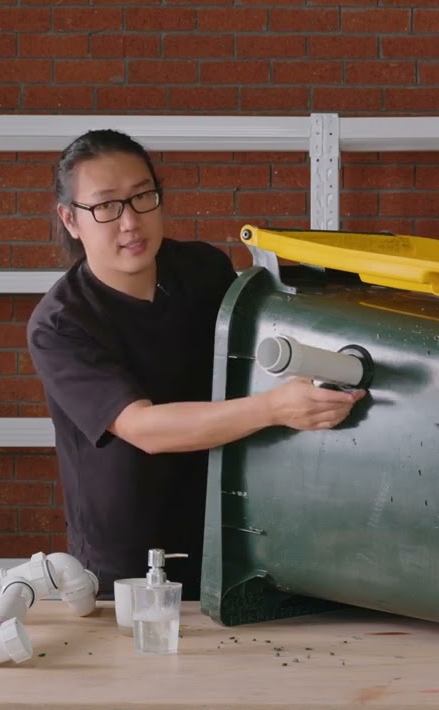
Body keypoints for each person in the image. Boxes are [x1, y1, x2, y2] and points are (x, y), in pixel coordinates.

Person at [27, 129, 364, 601]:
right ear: (71, 219)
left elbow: (260, 358)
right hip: (127, 562)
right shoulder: (61, 325)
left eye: (142, 196)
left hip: (226, 534)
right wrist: (274, 409)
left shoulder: (202, 270)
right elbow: (144, 428)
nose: (130, 222)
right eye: (106, 206)